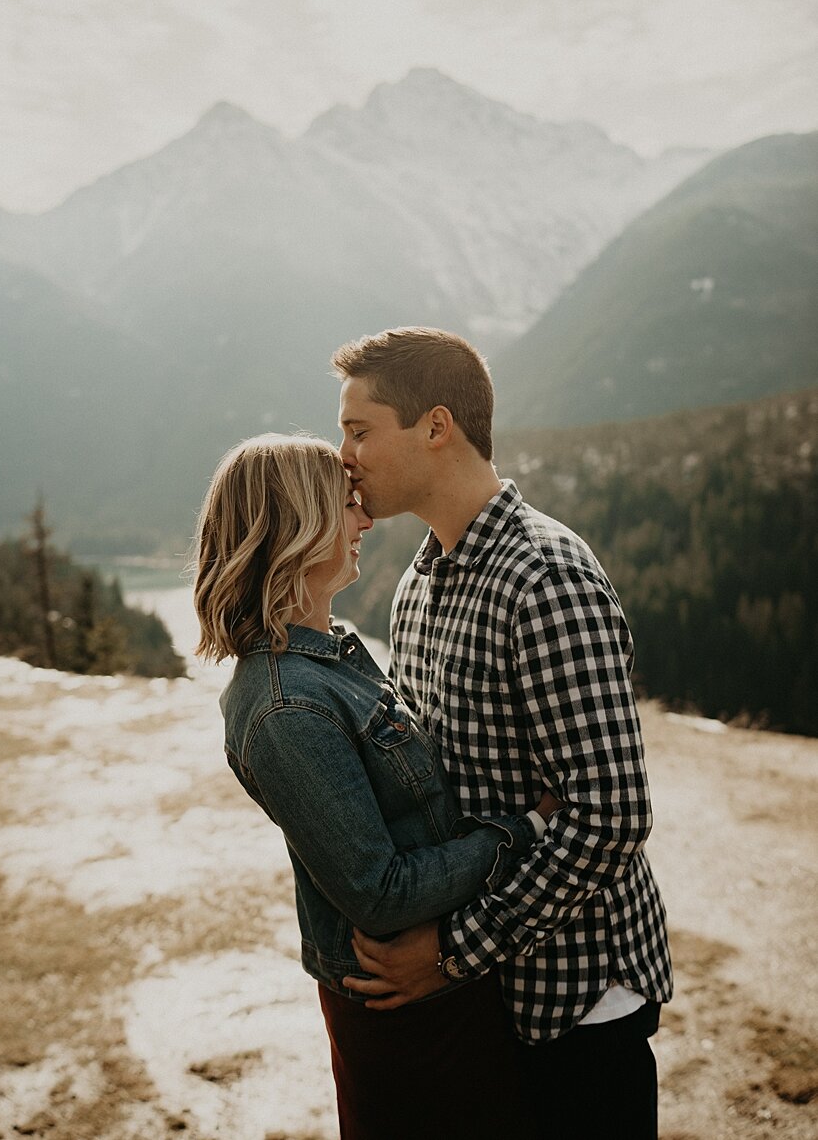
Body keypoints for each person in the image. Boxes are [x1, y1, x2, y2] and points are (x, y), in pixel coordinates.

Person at [332, 327, 673, 1140]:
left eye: (358, 430)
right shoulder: (419, 581)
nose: (343, 455)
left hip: (579, 1004)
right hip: (491, 1005)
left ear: (436, 425)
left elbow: (612, 813)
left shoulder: (544, 576)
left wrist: (451, 950)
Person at [192, 433, 557, 1140]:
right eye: (346, 506)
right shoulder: (283, 707)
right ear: (296, 527)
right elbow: (379, 891)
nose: (364, 522)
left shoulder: (329, 654)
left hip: (438, 993)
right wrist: (522, 829)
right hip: (405, 1015)